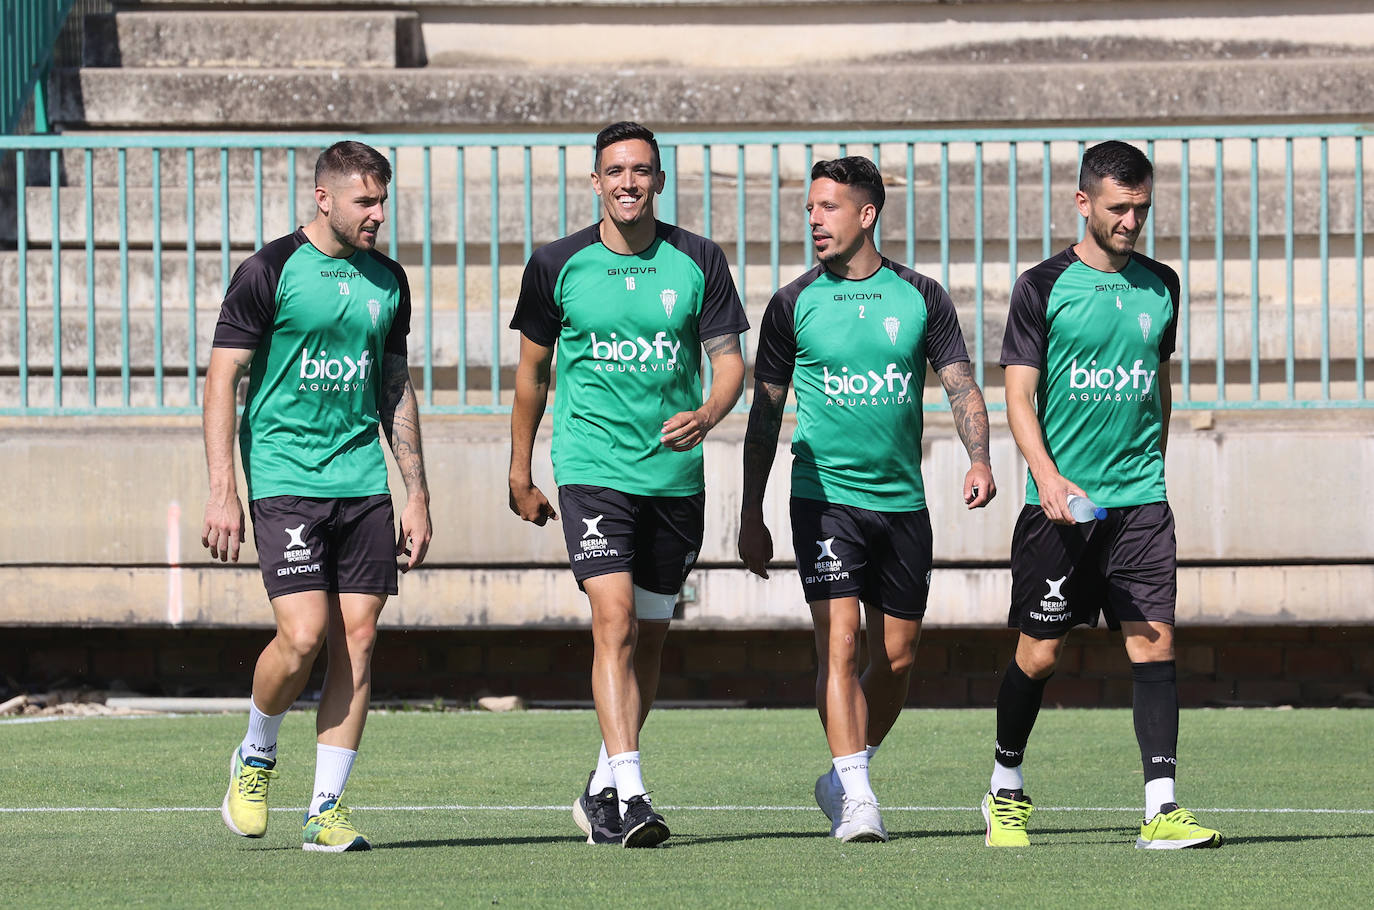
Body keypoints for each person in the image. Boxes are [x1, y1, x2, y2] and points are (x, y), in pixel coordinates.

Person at [739, 156, 995, 843]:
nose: (814, 220)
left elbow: (961, 385)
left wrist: (979, 458)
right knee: (841, 645)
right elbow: (764, 417)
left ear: (867, 214)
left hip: (902, 503)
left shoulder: (921, 296)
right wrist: (749, 513)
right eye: (810, 208)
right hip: (822, 498)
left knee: (900, 656)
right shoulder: (792, 304)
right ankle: (858, 799)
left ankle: (844, 772)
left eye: (828, 207)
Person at [508, 121, 748, 848]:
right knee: (612, 619)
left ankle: (601, 785)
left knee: (649, 636)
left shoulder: (699, 259)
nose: (628, 183)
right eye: (614, 171)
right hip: (592, 469)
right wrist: (519, 470)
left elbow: (729, 361)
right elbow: (531, 376)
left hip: (673, 477)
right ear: (594, 181)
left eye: (641, 171)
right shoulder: (556, 264)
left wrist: (708, 412)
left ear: (659, 181)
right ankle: (636, 795)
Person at [983, 140, 1222, 850]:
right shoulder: (1042, 286)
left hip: (1141, 503)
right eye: (1118, 208)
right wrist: (1048, 478)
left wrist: (1154, 464)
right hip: (1059, 510)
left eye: (1141, 208)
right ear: (1083, 202)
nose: (1131, 222)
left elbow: (1159, 381)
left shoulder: (1162, 285)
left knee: (1155, 644)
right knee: (1040, 655)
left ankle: (1162, 808)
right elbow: (1018, 396)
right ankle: (1005, 787)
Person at [202, 140, 431, 853]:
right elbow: (222, 381)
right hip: (284, 478)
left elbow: (394, 386)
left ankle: (325, 810)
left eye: (383, 201)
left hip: (361, 480)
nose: (378, 215)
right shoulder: (268, 271)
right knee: (301, 638)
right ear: (324, 198)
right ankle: (256, 752)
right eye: (366, 201)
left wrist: (415, 493)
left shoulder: (388, 279)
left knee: (357, 641)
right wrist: (223, 491)